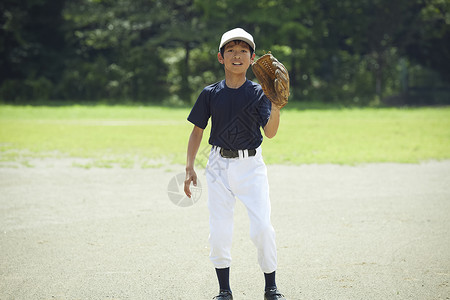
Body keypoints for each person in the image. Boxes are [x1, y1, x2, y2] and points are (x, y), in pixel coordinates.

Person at [184, 28, 286, 300]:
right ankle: (224, 291)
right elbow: (197, 131)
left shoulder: (259, 92)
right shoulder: (210, 93)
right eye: (231, 50)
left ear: (252, 58)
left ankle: (271, 288)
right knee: (219, 229)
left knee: (262, 227)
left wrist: (275, 105)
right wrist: (189, 167)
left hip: (251, 166)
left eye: (243, 50)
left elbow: (271, 133)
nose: (237, 55)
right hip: (218, 164)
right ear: (221, 57)